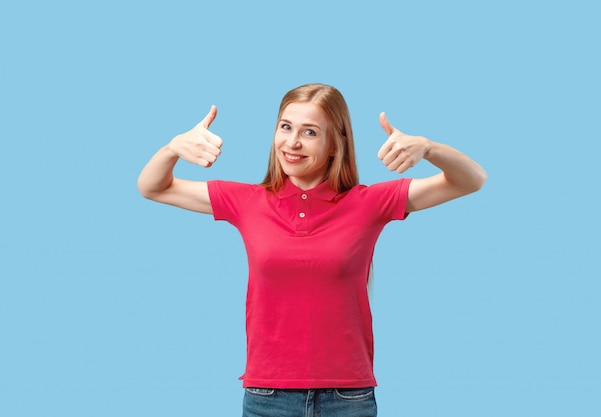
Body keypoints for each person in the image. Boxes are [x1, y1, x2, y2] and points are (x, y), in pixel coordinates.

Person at [137, 83, 487, 417]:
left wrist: (428, 147)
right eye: (285, 127)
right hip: (266, 396)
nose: (292, 142)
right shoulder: (246, 200)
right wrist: (172, 149)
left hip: (348, 397)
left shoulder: (369, 203)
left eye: (310, 132)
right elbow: (152, 187)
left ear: (335, 144)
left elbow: (472, 179)